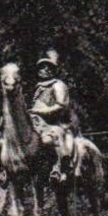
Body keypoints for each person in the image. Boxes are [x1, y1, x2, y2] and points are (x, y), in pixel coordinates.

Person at [30, 49, 79, 184]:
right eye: (41, 67)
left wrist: (42, 111)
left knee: (49, 139)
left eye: (47, 68)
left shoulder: (58, 85)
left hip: (55, 122)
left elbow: (61, 106)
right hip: (38, 122)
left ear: (52, 70)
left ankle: (59, 167)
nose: (44, 70)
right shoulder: (38, 87)